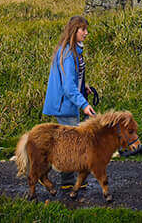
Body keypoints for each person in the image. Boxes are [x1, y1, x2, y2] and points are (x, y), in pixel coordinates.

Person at [43, 15, 97, 189]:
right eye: (83, 30)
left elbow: (74, 79)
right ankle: (66, 181)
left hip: (68, 102)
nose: (86, 33)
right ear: (75, 31)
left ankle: (69, 180)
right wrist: (84, 104)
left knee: (69, 141)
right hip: (65, 104)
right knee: (71, 143)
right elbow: (67, 87)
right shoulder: (68, 53)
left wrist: (84, 87)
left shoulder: (74, 50)